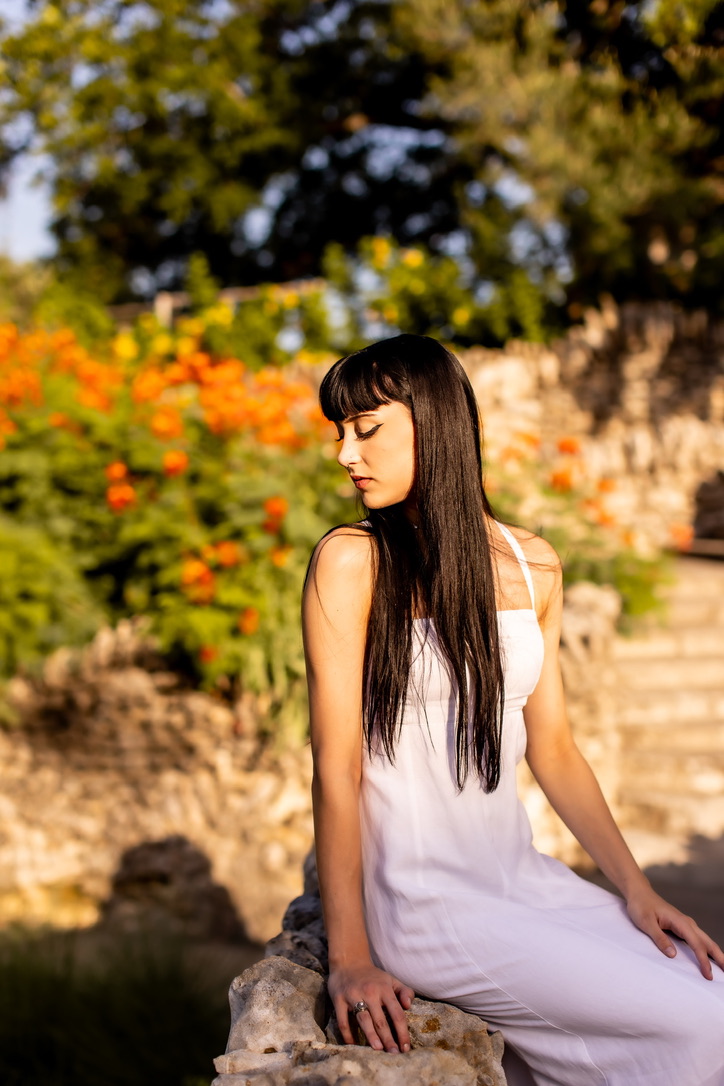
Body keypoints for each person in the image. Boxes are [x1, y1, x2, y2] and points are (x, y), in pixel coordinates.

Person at [301, 334, 724, 1086]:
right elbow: (337, 768)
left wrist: (636, 888)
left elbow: (553, 746)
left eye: (366, 429)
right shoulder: (350, 563)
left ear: (434, 425)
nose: (345, 454)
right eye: (341, 433)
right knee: (698, 1020)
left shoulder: (534, 567)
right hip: (427, 906)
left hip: (523, 881)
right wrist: (351, 960)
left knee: (713, 993)